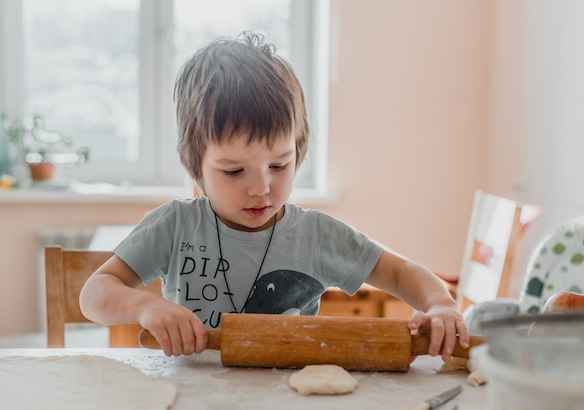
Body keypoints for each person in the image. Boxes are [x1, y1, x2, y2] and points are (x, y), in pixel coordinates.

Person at [79, 32, 469, 361]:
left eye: (280, 165)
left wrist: (441, 305)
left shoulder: (316, 235)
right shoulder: (176, 225)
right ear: (195, 167)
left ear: (298, 152)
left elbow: (401, 272)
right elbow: (94, 293)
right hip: (191, 399)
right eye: (234, 171)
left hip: (288, 399)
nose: (261, 187)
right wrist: (146, 306)